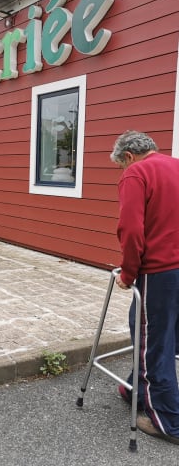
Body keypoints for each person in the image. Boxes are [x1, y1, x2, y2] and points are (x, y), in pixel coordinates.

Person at [110, 130, 179, 444]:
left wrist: (128, 273)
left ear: (128, 156)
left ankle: (167, 421)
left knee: (153, 340)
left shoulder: (135, 173)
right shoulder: (176, 165)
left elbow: (132, 229)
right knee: (164, 334)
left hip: (160, 270)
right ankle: (135, 388)